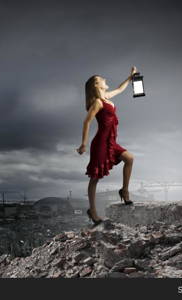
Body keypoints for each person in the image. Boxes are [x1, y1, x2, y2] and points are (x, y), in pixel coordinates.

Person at [76, 66, 137, 226]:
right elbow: (86, 121)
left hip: (111, 141)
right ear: (96, 85)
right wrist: (84, 143)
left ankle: (124, 191)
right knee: (95, 178)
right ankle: (93, 211)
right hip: (101, 143)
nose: (104, 79)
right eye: (100, 79)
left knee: (129, 158)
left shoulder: (106, 97)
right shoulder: (97, 102)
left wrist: (130, 78)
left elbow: (120, 88)